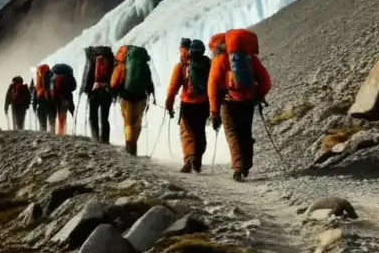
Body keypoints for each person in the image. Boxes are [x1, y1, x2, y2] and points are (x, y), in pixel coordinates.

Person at [208, 28, 272, 181]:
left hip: (228, 102)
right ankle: (247, 164)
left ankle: (237, 166)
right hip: (248, 101)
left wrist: (214, 111)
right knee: (245, 132)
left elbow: (213, 86)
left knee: (232, 134)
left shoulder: (220, 60)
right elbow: (266, 80)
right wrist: (259, 95)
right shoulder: (250, 58)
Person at [166, 38, 212, 173]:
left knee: (186, 133)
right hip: (204, 104)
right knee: (199, 132)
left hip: (187, 103)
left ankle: (188, 160)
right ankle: (197, 160)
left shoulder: (182, 65)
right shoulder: (207, 63)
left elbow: (173, 87)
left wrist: (169, 104)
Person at [110, 44, 155, 155]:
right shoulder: (145, 66)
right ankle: (133, 145)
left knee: (128, 123)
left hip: (126, 97)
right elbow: (149, 83)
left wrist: (114, 93)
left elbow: (114, 83)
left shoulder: (123, 65)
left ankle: (130, 147)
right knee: (137, 122)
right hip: (141, 97)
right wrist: (152, 95)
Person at [82, 45, 116, 143]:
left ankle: (95, 137)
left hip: (94, 91)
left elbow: (88, 75)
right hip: (106, 91)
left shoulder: (92, 60)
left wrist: (87, 89)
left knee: (93, 116)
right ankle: (105, 140)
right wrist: (113, 92)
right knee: (104, 117)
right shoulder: (111, 60)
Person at [49, 63, 77, 135]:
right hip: (69, 98)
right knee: (72, 114)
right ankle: (74, 131)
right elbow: (74, 87)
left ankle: (61, 132)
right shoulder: (70, 77)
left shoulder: (56, 79)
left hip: (60, 100)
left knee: (61, 117)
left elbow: (55, 91)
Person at [32, 64, 54, 132]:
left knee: (42, 122)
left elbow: (35, 94)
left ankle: (43, 132)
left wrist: (34, 106)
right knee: (51, 120)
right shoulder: (51, 76)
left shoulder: (38, 79)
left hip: (41, 101)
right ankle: (52, 133)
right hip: (50, 101)